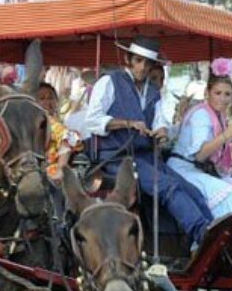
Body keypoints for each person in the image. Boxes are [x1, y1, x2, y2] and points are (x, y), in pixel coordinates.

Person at [85, 36, 212, 244]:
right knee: (167, 186)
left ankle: (213, 234)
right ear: (128, 59)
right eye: (138, 61)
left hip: (146, 157)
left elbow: (160, 122)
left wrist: (161, 131)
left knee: (193, 191)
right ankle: (201, 235)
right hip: (116, 158)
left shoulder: (153, 91)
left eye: (147, 63)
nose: (142, 68)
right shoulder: (109, 81)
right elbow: (92, 120)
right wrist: (128, 123)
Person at [167, 72, 232, 216]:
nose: (222, 99)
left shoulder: (219, 115)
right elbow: (200, 155)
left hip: (202, 170)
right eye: (217, 93)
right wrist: (227, 134)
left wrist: (231, 136)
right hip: (184, 169)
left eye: (227, 94)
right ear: (207, 93)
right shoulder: (201, 116)